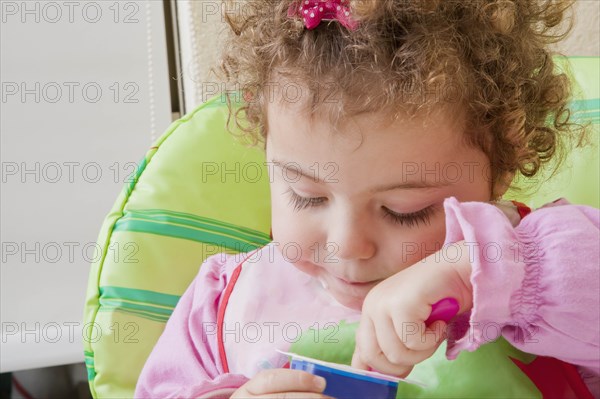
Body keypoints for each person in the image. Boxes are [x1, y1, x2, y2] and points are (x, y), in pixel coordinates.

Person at [134, 0, 599, 397]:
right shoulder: (223, 306)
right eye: (307, 196)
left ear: (503, 161)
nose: (346, 246)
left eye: (405, 212)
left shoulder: (551, 266)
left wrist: (480, 272)